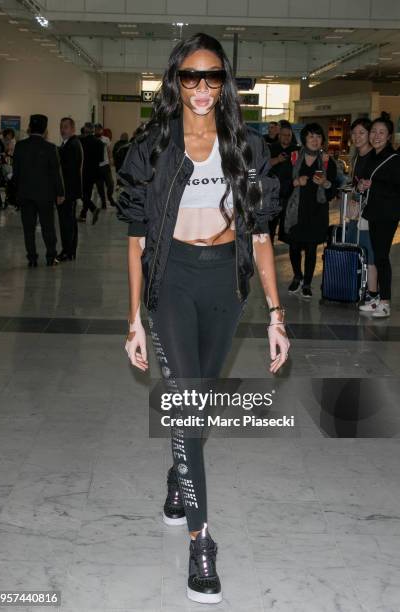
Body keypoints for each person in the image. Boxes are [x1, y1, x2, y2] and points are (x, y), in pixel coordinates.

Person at [116, 32, 290, 605]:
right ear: (175, 81)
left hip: (226, 281)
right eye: (190, 77)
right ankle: (202, 541)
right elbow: (138, 236)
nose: (201, 89)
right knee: (187, 405)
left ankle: (178, 475)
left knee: (199, 404)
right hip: (172, 283)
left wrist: (275, 313)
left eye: (212, 77)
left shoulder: (248, 148)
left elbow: (261, 232)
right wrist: (134, 318)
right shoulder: (152, 147)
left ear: (226, 83)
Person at [283, 122, 337, 298]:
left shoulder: (328, 161)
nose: (315, 140)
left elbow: (333, 190)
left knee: (312, 248)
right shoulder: (293, 157)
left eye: (318, 136)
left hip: (317, 211)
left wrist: (326, 183)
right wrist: (296, 182)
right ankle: (297, 276)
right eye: (311, 136)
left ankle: (307, 283)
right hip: (295, 211)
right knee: (294, 246)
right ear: (304, 138)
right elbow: (281, 186)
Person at [358, 115, 400, 318]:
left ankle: (385, 302)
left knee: (382, 257)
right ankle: (376, 300)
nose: (376, 136)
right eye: (373, 132)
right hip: (374, 212)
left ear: (389, 136)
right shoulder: (372, 156)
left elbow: (396, 188)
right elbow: (365, 181)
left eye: (381, 132)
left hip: (387, 214)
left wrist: (374, 185)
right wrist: (361, 185)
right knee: (377, 254)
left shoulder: (394, 159)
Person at [12, 114, 64, 267]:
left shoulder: (20, 146)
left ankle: (32, 258)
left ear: (30, 127)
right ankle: (50, 257)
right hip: (45, 196)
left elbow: (16, 173)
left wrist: (16, 193)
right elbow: (56, 173)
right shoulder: (50, 148)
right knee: (48, 227)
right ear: (45, 129)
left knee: (28, 229)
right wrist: (60, 193)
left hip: (25, 194)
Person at [345, 118, 378, 311]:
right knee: (357, 251)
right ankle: (362, 290)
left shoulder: (374, 157)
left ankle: (373, 295)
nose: (357, 137)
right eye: (354, 133)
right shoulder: (357, 157)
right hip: (356, 214)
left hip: (370, 215)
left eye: (362, 133)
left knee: (371, 254)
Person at [268, 121, 300, 242]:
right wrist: (277, 160)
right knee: (270, 227)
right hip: (272, 195)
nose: (286, 137)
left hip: (291, 195)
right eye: (284, 135)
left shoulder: (297, 150)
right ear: (279, 135)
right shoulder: (271, 148)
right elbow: (260, 166)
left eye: (289, 135)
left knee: (289, 227)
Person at [57, 117, 83, 261]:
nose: (62, 130)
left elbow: (69, 172)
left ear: (73, 129)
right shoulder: (69, 144)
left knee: (66, 222)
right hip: (70, 191)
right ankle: (70, 250)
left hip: (67, 191)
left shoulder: (72, 145)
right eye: (61, 127)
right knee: (70, 221)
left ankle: (66, 251)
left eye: (65, 127)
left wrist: (62, 193)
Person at [79, 122, 102, 224]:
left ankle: (93, 208)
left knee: (80, 193)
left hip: (82, 171)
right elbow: (101, 159)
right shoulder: (99, 143)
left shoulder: (80, 140)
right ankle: (83, 215)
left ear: (85, 129)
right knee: (87, 193)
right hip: (94, 172)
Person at [94, 123, 116, 208]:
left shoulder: (106, 139)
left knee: (110, 183)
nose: (98, 130)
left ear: (101, 130)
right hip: (96, 166)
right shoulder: (93, 139)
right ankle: (103, 202)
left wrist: (111, 159)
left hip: (105, 165)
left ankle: (110, 198)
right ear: (94, 130)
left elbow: (109, 150)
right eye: (96, 129)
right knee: (100, 186)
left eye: (99, 129)